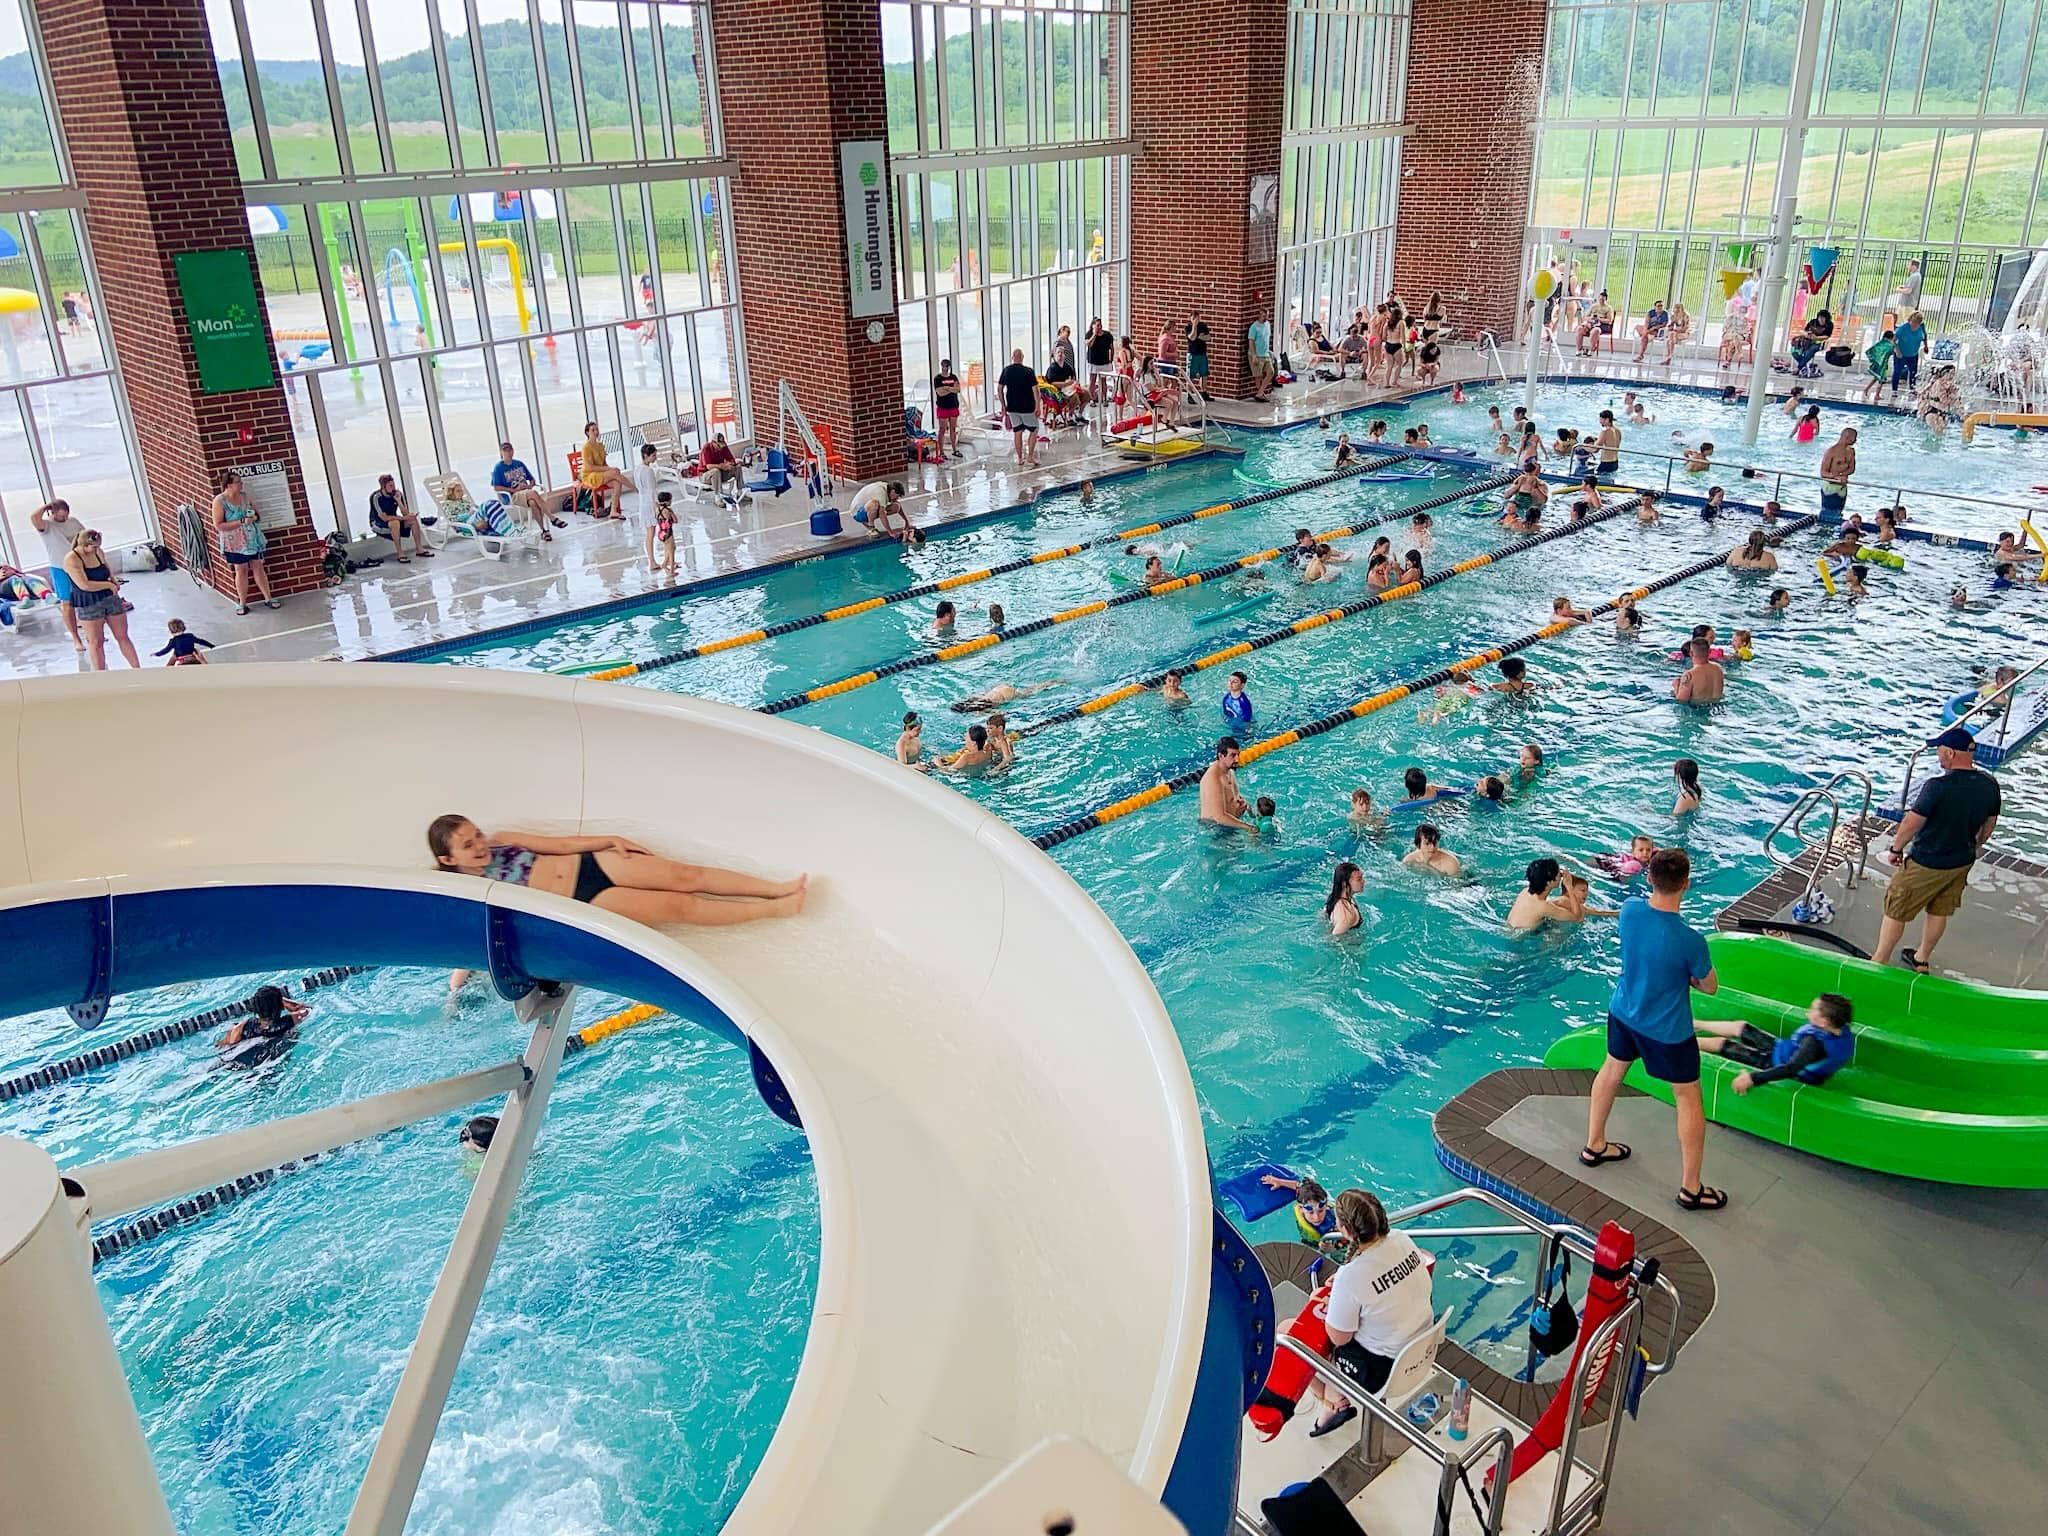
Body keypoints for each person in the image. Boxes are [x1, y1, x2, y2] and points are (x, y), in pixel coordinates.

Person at [1582, 847, 1722, 1209]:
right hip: (1668, 1032)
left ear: (1649, 878)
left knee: (1612, 1070)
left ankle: (1594, 1144)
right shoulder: (1691, 940)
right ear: (1686, 885)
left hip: (1625, 1012)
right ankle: (1691, 1187)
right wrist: (1688, 976)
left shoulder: (1630, 910)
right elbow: (1710, 986)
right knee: (1687, 1097)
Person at [429, 815, 808, 925]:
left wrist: (608, 839)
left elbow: (560, 845)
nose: (479, 845)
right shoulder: (473, 892)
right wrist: (456, 988)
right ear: (449, 860)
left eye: (475, 834)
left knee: (686, 876)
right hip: (588, 900)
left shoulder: (503, 838)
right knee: (682, 908)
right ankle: (773, 909)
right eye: (467, 845)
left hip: (592, 863)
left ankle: (775, 887)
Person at [1871, 727, 2000, 973]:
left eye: (1940, 752)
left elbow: (1911, 822)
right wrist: (1974, 845)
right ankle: (1921, 959)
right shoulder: (1989, 785)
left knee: (1896, 908)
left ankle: (1879, 961)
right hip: (1961, 861)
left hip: (1927, 861)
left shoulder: (1938, 786)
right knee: (1939, 909)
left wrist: (1896, 849)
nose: (1939, 758)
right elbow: (1989, 825)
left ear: (1950, 753)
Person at [1307, 1188, 1435, 1436]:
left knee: (1291, 1339)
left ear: (1345, 1229)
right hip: (1423, 1346)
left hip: (1383, 1370)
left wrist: (1322, 1301)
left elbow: (1338, 1338)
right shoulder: (1401, 1239)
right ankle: (1336, 1397)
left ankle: (1333, 1401)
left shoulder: (1351, 1275)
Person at [1695, 992, 1855, 1095]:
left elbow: (1791, 1069)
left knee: (1721, 1044)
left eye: (1813, 1010)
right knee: (1741, 1027)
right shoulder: (1841, 1030)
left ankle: (1678, 1043)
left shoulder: (1813, 1043)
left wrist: (1753, 1078)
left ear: (1824, 1022)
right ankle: (1694, 1024)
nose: (1808, 1012)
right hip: (1782, 1050)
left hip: (1775, 1064)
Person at [63, 527, 140, 670]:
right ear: (84, 545)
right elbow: (84, 585)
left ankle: (137, 668)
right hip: (88, 602)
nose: (96, 549)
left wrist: (113, 580)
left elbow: (107, 568)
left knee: (122, 636)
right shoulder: (72, 559)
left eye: (98, 546)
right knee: (96, 642)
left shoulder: (98, 552)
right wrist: (108, 585)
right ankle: (101, 674)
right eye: (94, 547)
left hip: (109, 598)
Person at [210, 469, 286, 612]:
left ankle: (268, 597)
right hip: (235, 541)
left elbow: (257, 514)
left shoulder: (245, 497)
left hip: (252, 538)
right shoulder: (220, 501)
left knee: (258, 566)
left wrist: (254, 518)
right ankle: (242, 602)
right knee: (241, 569)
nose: (241, 485)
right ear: (229, 485)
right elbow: (218, 525)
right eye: (237, 482)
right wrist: (241, 522)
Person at [29, 498, 86, 651]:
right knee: (67, 604)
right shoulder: (46, 526)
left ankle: (89, 632)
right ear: (52, 513)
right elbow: (34, 517)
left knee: (85, 600)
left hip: (79, 566)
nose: (64, 519)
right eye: (60, 516)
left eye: (66, 515)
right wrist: (47, 506)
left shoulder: (73, 522)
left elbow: (85, 538)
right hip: (60, 568)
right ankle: (76, 639)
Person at [215, 984, 310, 1068]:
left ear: (255, 1007)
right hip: (269, 1063)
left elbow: (228, 1045)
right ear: (280, 1006)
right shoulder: (289, 1021)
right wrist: (283, 1001)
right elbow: (308, 1010)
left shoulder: (243, 1026)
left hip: (238, 1062)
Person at [492, 443, 563, 539]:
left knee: (533, 502)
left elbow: (532, 479)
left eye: (510, 450)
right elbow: (496, 487)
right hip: (513, 495)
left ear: (513, 451)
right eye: (505, 450)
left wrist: (529, 485)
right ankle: (552, 518)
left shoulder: (519, 464)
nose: (508, 452)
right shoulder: (498, 468)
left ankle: (544, 531)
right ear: (501, 452)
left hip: (526, 493)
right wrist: (513, 489)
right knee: (533, 493)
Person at [1259, 1173, 1339, 1249]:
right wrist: (1279, 1182)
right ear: (1301, 1208)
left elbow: (1340, 1244)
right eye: (1311, 1212)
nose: (1316, 1217)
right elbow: (1299, 1186)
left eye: (1321, 1211)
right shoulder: (1303, 1200)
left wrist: (1328, 1249)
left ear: (1326, 1206)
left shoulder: (1332, 1225)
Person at [1506, 858, 1591, 929]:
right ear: (1549, 882)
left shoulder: (1525, 891)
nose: (1561, 875)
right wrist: (1569, 887)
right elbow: (1577, 918)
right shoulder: (1544, 907)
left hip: (1508, 928)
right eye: (1558, 874)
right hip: (1520, 941)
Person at [368, 472, 433, 566]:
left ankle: (419, 549)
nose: (393, 488)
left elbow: (405, 513)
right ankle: (400, 553)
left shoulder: (397, 494)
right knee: (395, 523)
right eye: (390, 486)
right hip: (378, 524)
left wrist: (399, 501)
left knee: (412, 519)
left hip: (395, 521)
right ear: (383, 487)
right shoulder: (376, 497)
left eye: (393, 485)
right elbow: (384, 517)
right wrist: (403, 518)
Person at [1198, 736, 1256, 831]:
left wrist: (1246, 807)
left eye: (1238, 755)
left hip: (1231, 824)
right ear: (1221, 756)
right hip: (1216, 830)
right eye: (1232, 755)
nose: (1237, 760)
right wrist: (1249, 827)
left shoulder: (1230, 771)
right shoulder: (1213, 778)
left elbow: (1233, 798)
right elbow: (1219, 817)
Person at [997, 348, 1041, 467]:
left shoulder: (1006, 371)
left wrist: (1003, 406)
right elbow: (1036, 390)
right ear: (1022, 357)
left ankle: (1020, 458)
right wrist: (1038, 406)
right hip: (1027, 407)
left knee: (1017, 431)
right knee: (1034, 430)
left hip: (1012, 407)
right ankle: (1030, 457)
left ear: (1012, 357)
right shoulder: (1029, 371)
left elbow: (999, 389)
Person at [578, 421, 629, 516]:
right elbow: (590, 467)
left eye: (596, 429)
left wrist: (609, 469)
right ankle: (636, 489)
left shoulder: (600, 446)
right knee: (615, 472)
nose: (596, 432)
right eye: (593, 430)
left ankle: (613, 511)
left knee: (617, 482)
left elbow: (604, 463)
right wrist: (609, 469)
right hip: (590, 475)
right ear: (587, 432)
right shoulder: (586, 448)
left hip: (599, 473)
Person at [696, 432, 744, 501]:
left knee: (738, 467)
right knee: (715, 471)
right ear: (713, 443)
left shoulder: (723, 447)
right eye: (718, 445)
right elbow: (708, 466)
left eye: (722, 445)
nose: (720, 448)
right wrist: (722, 466)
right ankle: (717, 497)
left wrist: (730, 464)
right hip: (705, 476)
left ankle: (740, 492)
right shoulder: (706, 448)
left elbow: (731, 459)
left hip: (721, 473)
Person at [1673, 640, 1725, 705]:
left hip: (1696, 711)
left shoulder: (1689, 675)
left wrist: (1676, 686)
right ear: (1709, 651)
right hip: (1716, 709)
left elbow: (1681, 701)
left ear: (1691, 653)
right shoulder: (1718, 668)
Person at [1890, 310, 1926, 399]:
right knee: (1897, 371)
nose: (1914, 325)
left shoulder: (1921, 328)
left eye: (1916, 323)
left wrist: (1926, 346)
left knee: (1913, 372)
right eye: (1912, 322)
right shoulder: (1903, 328)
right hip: (1901, 354)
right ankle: (1894, 390)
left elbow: (1924, 337)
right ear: (1910, 320)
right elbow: (1893, 340)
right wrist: (1897, 351)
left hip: (1913, 354)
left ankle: (1912, 390)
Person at [932, 359, 964, 458]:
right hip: (942, 407)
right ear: (942, 366)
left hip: (953, 405)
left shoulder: (953, 377)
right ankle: (941, 452)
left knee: (953, 429)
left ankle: (955, 449)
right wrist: (951, 389)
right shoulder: (937, 378)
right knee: (942, 429)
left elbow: (957, 389)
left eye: (947, 366)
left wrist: (946, 388)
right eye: (944, 366)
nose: (945, 368)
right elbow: (940, 393)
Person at [1326, 861, 1365, 935]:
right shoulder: (1347, 917)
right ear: (1344, 884)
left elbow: (1323, 914)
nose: (1363, 881)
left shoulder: (1334, 898)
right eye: (1359, 879)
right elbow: (1332, 939)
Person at [1862, 328, 1896, 404]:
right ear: (1891, 338)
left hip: (1878, 364)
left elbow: (1872, 351)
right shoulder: (1889, 345)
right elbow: (1892, 352)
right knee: (1881, 380)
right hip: (1882, 366)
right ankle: (1877, 395)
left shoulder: (1881, 343)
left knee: (1875, 378)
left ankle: (1866, 390)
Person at [1247, 311, 1276, 400]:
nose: (1266, 318)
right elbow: (1251, 342)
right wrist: (1254, 355)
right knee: (1258, 376)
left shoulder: (1267, 324)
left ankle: (1260, 393)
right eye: (1264, 316)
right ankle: (1260, 393)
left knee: (1271, 372)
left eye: (1267, 316)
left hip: (1265, 354)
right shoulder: (1254, 327)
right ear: (1259, 316)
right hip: (1257, 355)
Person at [1632, 297, 1670, 362]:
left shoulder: (1665, 314)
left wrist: (1653, 328)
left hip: (1657, 331)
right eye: (1658, 306)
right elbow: (1646, 322)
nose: (1660, 307)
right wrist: (1646, 330)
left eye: (1661, 306)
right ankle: (1645, 337)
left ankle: (1640, 355)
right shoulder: (1651, 312)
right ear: (1655, 307)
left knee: (1644, 336)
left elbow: (1664, 325)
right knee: (1637, 327)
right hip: (1648, 330)